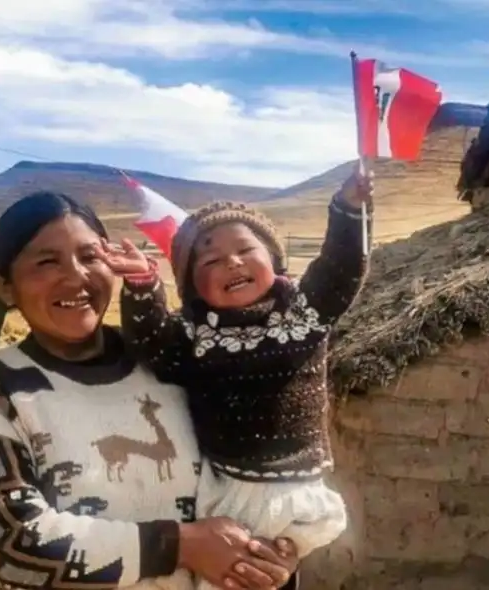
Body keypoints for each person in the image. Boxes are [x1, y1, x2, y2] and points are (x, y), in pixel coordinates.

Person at [0, 191, 300, 590]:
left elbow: (253, 467)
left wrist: (268, 555)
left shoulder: (174, 360)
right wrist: (182, 546)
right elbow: (14, 543)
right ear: (5, 287)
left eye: (91, 256)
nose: (76, 276)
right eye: (46, 262)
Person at [100, 169, 372, 590]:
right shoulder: (194, 334)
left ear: (274, 259)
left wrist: (349, 210)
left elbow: (340, 268)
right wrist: (142, 286)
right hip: (227, 489)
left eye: (246, 248)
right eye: (210, 260)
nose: (232, 262)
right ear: (192, 286)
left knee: (264, 573)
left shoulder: (302, 312)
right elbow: (151, 342)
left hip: (293, 487)